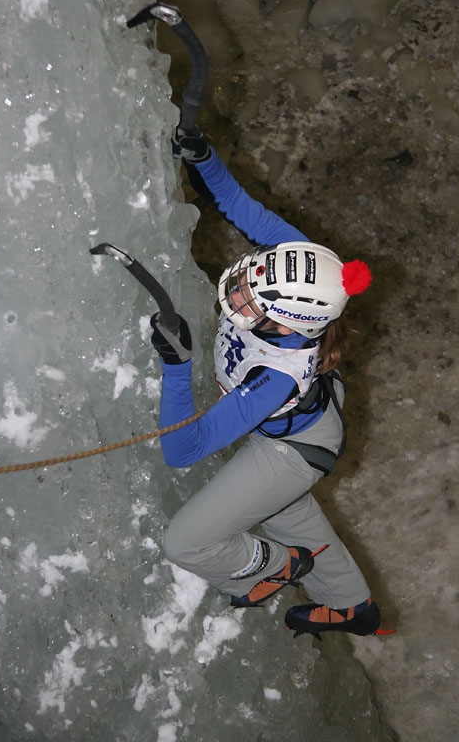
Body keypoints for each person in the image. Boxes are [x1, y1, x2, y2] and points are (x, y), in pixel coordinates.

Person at [149, 127, 381, 638]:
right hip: (301, 423)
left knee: (187, 543)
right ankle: (352, 606)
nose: (238, 294)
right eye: (252, 277)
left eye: (254, 302)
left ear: (289, 324)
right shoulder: (302, 265)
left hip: (291, 449)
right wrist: (204, 159)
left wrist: (176, 368)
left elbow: (186, 448)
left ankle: (271, 567)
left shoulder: (277, 376)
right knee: (284, 512)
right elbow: (242, 207)